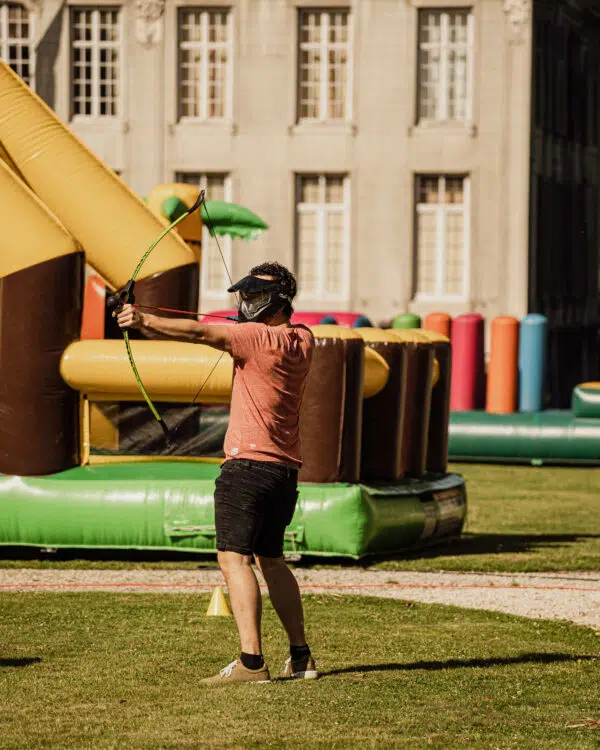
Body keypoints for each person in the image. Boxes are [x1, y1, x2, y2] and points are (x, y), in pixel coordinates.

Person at [116, 261, 316, 685]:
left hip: (246, 467)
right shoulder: (303, 338)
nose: (247, 303)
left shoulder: (254, 338)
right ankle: (300, 657)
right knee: (271, 560)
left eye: (256, 296)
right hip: (284, 471)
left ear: (278, 300)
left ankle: (251, 663)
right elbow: (221, 332)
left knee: (233, 559)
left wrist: (142, 319)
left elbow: (199, 332)